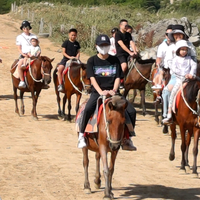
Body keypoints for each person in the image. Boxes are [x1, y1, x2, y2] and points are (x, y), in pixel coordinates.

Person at [78, 34, 137, 151]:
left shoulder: (115, 60)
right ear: (96, 46)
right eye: (101, 45)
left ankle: (127, 138)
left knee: (131, 111)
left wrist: (114, 90)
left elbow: (117, 77)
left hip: (113, 91)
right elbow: (92, 78)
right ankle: (81, 136)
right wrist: (101, 92)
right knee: (88, 108)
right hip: (97, 92)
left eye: (106, 45)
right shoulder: (92, 61)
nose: (104, 47)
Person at [162, 24, 196, 119]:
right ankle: (167, 114)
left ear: (183, 35)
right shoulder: (171, 47)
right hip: (176, 76)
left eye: (179, 34)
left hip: (190, 74)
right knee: (166, 91)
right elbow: (168, 62)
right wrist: (178, 71)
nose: (177, 36)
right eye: (175, 34)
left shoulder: (190, 45)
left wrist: (191, 73)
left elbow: (194, 59)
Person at [151, 24, 173, 90]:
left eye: (171, 34)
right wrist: (159, 67)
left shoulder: (176, 45)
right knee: (158, 74)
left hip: (174, 66)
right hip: (165, 66)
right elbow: (159, 58)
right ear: (165, 35)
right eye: (167, 34)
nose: (169, 36)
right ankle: (158, 93)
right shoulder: (162, 46)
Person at [16, 20, 37, 88]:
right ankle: (22, 81)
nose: (26, 29)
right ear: (22, 28)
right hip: (24, 55)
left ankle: (42, 82)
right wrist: (24, 54)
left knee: (42, 65)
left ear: (29, 28)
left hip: (34, 55)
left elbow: (37, 46)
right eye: (24, 27)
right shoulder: (19, 37)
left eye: (27, 27)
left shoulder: (34, 36)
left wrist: (36, 54)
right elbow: (19, 48)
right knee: (19, 65)